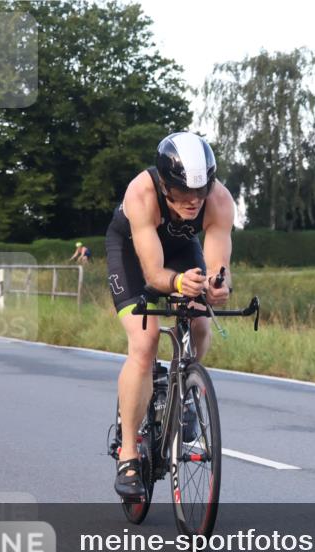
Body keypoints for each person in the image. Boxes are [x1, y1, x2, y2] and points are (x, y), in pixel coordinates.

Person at [105, 131, 234, 499]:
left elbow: (218, 265)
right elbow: (154, 275)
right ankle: (128, 453)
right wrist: (178, 283)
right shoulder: (142, 193)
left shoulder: (219, 200)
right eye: (182, 192)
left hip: (181, 250)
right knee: (145, 343)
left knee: (200, 320)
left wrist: (217, 285)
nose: (194, 200)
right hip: (134, 255)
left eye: (201, 190)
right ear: (165, 184)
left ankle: (186, 392)